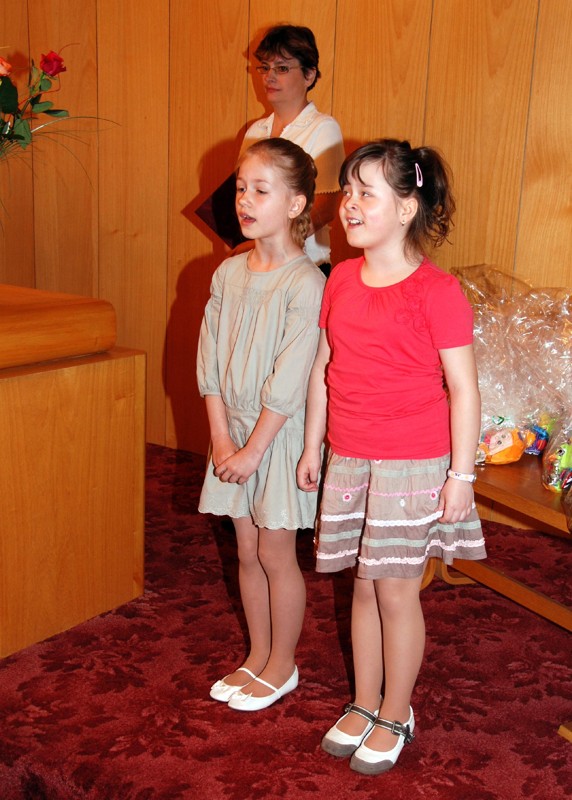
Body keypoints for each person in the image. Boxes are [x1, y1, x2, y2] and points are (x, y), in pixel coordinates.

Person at [297, 139, 486, 773]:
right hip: (351, 458)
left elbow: (463, 389)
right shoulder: (341, 278)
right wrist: (312, 445)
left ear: (406, 209)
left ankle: (396, 710)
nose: (349, 204)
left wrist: (461, 475)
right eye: (347, 191)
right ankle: (364, 700)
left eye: (366, 193)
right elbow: (324, 368)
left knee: (398, 593)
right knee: (362, 584)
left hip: (411, 463)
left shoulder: (437, 290)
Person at [197, 138, 326, 711]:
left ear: (295, 204)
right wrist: (222, 438)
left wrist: (252, 449)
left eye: (261, 190)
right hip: (232, 435)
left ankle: (282, 664)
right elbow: (209, 363)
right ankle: (256, 655)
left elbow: (293, 379)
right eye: (241, 188)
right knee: (245, 552)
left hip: (275, 438)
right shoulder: (228, 273)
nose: (244, 200)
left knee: (275, 554)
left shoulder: (307, 283)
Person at [241, 24, 345, 274]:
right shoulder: (254, 132)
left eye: (282, 68)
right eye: (265, 67)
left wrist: (269, 245)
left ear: (309, 75)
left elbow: (326, 207)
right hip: (256, 262)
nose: (269, 76)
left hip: (305, 266)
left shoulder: (324, 127)